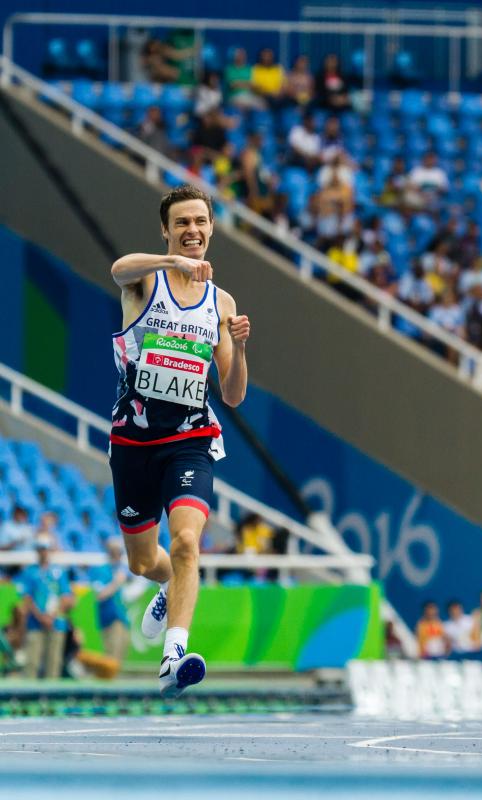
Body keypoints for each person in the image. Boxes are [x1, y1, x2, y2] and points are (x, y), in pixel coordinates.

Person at [109, 184, 251, 698]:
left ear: (212, 228)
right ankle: (167, 587)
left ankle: (173, 657)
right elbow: (118, 269)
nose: (193, 230)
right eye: (182, 222)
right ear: (168, 230)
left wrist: (236, 347)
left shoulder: (222, 302)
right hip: (133, 440)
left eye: (201, 221)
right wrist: (172, 262)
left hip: (190, 438)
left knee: (188, 541)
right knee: (144, 562)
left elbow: (232, 395)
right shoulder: (146, 280)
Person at [18, 537, 74, 679]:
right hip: (35, 623)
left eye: (45, 548)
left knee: (54, 662)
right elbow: (27, 598)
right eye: (40, 548)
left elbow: (66, 597)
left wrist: (51, 616)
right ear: (37, 550)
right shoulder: (30, 572)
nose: (43, 552)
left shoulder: (59, 571)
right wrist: (41, 617)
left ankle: (51, 698)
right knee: (32, 662)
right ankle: (27, 698)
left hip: (56, 623)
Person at [90, 537, 132, 669]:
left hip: (122, 616)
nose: (118, 554)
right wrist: (116, 582)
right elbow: (100, 595)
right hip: (109, 618)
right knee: (112, 655)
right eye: (115, 551)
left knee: (120, 654)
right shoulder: (102, 570)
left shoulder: (122, 569)